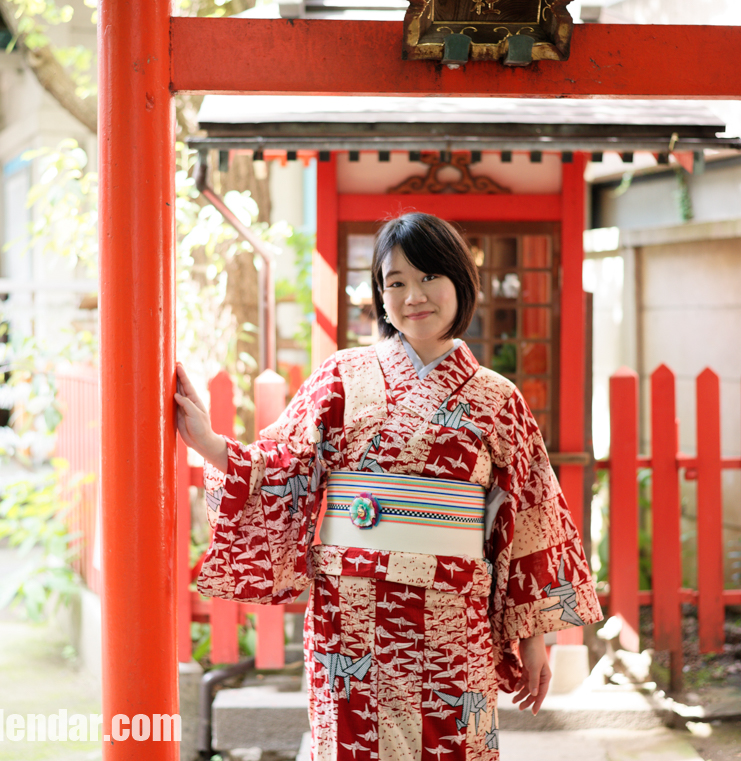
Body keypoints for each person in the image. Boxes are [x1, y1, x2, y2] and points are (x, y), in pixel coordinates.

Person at [175, 212, 601, 760]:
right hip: (349, 617)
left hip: (451, 616)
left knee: (454, 747)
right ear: (380, 294)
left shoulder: (498, 399)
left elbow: (531, 519)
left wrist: (533, 638)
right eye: (395, 282)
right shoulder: (341, 376)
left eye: (429, 277)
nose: (413, 296)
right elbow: (280, 466)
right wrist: (211, 444)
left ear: (460, 281)